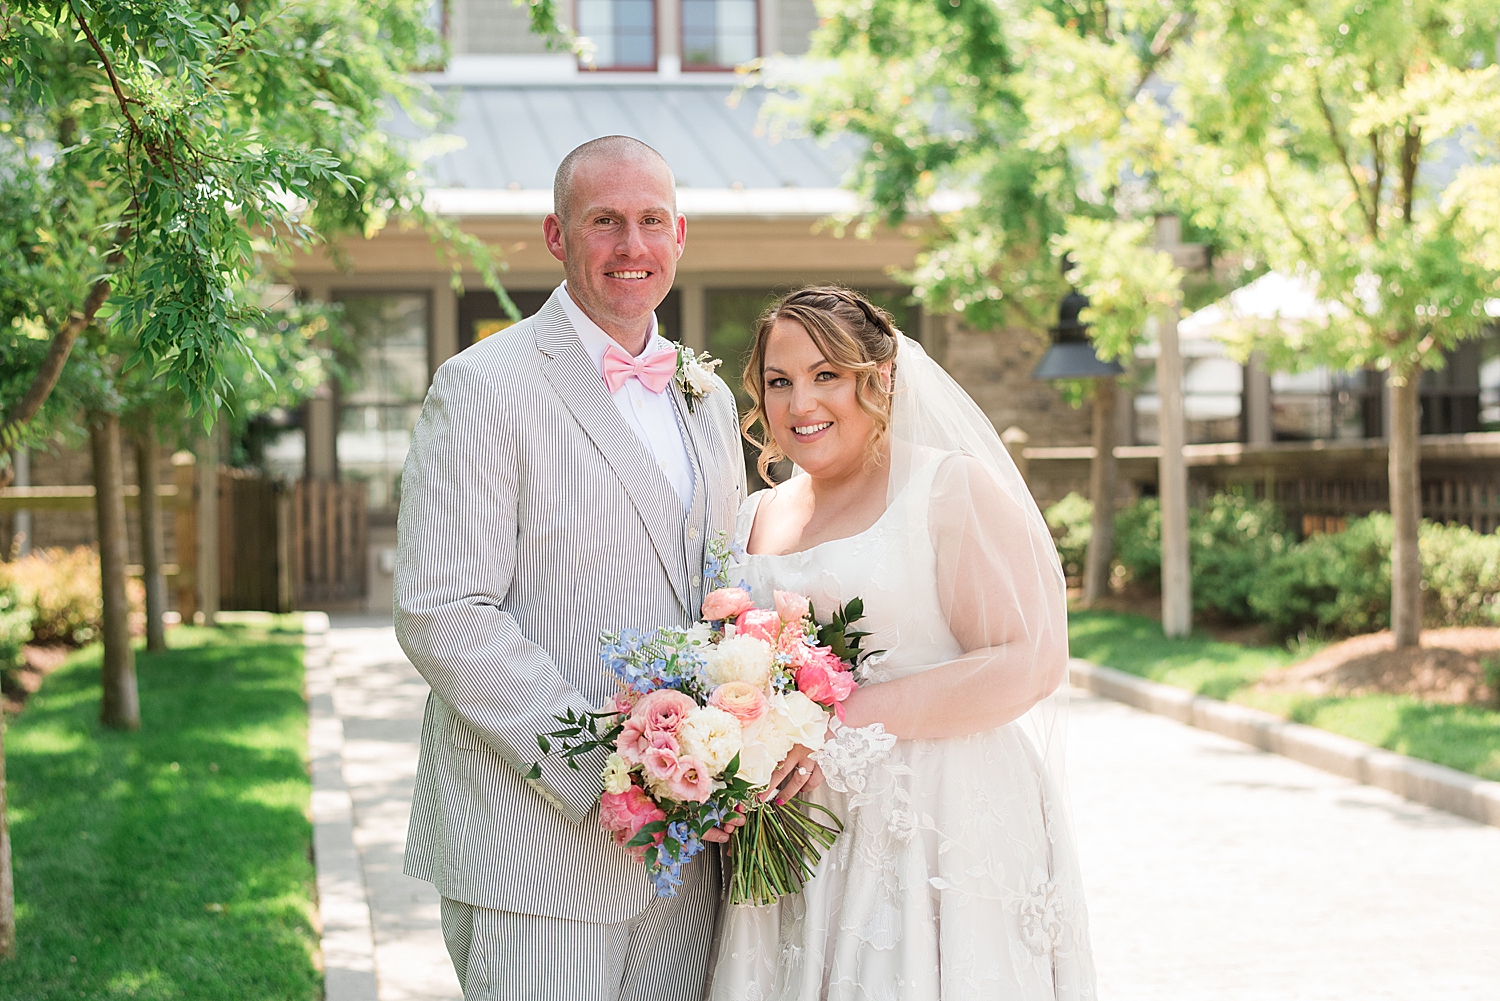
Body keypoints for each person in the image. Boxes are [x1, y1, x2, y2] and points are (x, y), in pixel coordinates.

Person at [394, 136, 746, 1001]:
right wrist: (612, 771)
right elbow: (444, 609)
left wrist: (718, 759)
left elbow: (724, 584)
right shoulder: (483, 385)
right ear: (557, 235)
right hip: (535, 847)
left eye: (651, 221)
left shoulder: (708, 396)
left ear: (680, 235)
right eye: (605, 222)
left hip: (687, 851)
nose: (632, 246)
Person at [709, 287, 1095, 1000]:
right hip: (803, 843)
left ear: (878, 378)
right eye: (780, 381)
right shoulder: (752, 515)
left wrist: (840, 720)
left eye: (827, 375)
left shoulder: (947, 489)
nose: (802, 405)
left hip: (936, 827)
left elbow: (1029, 658)